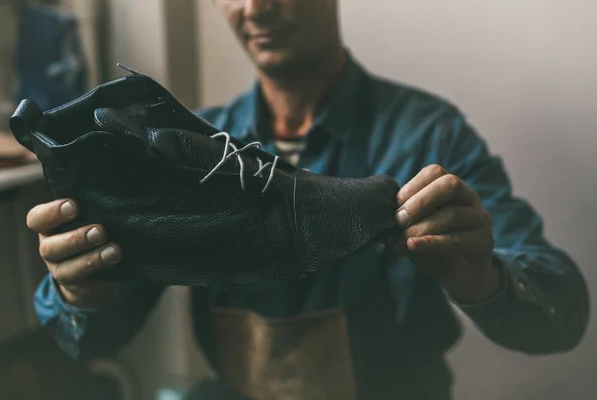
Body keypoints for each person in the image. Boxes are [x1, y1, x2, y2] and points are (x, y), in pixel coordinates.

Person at [29, 0, 589, 399]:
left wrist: (485, 278)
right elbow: (93, 338)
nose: (254, 8)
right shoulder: (187, 149)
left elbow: (561, 313)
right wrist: (82, 290)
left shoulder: (428, 136)